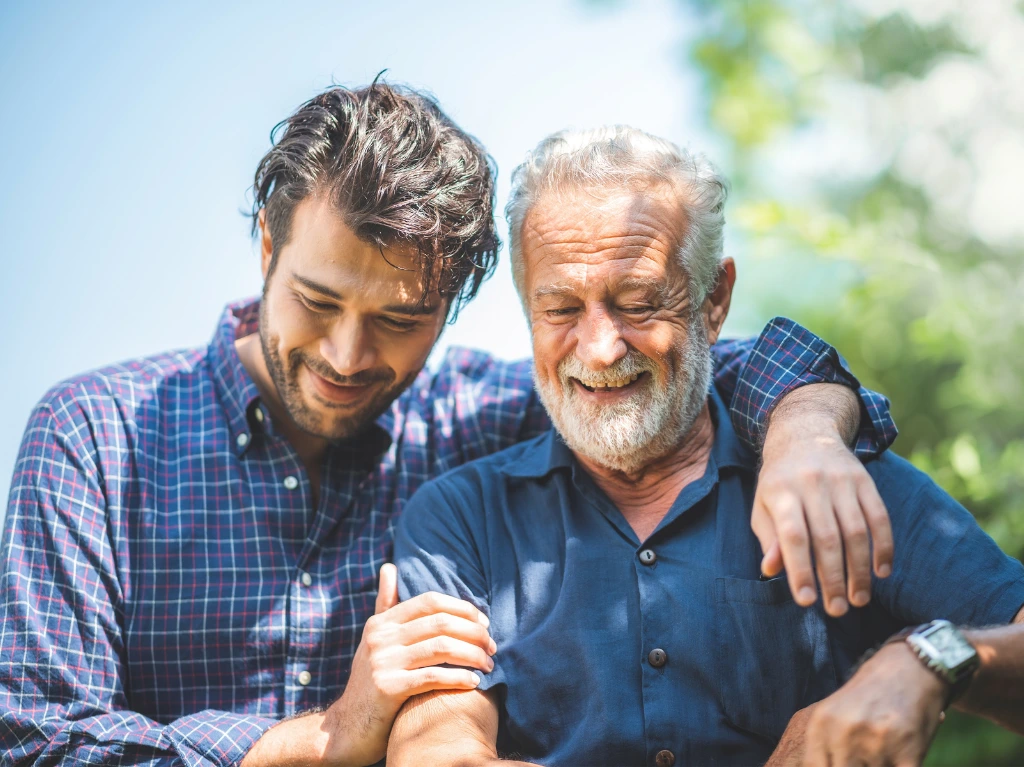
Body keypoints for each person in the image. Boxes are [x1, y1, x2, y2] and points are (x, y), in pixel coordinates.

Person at [0, 85, 895, 767]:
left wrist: (806, 431)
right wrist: (322, 736)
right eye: (317, 301)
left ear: (454, 304)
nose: (347, 355)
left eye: (399, 319)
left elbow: (684, 366)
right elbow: (36, 740)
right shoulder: (96, 437)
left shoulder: (478, 417)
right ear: (268, 248)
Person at [388, 126, 1024, 767]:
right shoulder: (460, 518)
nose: (600, 349)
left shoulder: (828, 474)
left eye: (638, 303)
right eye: (560, 310)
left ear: (714, 300)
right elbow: (438, 752)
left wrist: (929, 658)